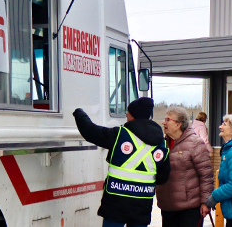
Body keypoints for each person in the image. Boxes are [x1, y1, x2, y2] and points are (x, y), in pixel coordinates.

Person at [73, 97, 171, 227]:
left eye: (128, 112)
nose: (126, 114)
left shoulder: (120, 135)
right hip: (142, 203)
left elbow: (91, 131)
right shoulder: (161, 143)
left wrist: (79, 113)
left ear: (133, 116)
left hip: (116, 201)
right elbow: (163, 177)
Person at [157, 107, 214, 227]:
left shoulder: (195, 143)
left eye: (168, 120)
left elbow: (206, 175)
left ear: (178, 124)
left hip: (190, 209)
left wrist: (206, 202)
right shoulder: (162, 144)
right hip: (167, 207)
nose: (163, 122)